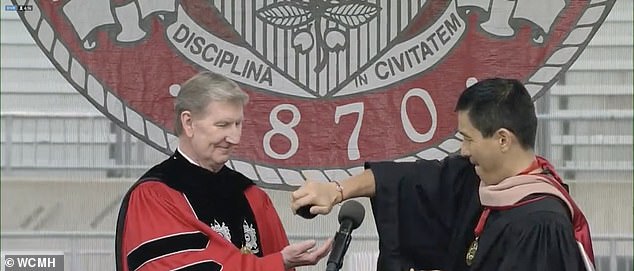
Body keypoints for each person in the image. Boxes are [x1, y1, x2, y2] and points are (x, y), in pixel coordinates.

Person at [291, 78, 595, 271]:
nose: (463, 150)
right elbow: (406, 181)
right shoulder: (477, 181)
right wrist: (337, 190)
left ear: (502, 139)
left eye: (468, 138)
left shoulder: (542, 224)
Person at [115, 71, 332, 271]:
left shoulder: (251, 196)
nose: (234, 138)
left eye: (238, 124)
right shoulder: (154, 197)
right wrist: (277, 262)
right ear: (188, 123)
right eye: (223, 125)